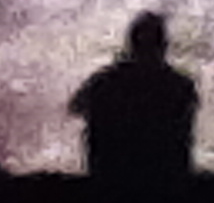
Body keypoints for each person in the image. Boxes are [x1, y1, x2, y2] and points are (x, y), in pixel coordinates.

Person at [69, 11, 200, 188]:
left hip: (112, 180)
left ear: (132, 44)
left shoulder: (106, 81)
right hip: (164, 181)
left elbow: (76, 107)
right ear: (163, 46)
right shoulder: (180, 85)